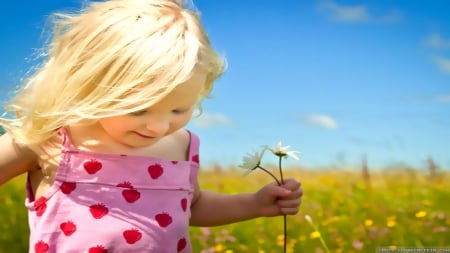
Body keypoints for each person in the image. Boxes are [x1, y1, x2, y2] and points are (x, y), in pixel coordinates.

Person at [0, 0, 303, 252]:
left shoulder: (182, 145)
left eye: (178, 109)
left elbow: (192, 206)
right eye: (139, 108)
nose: (158, 126)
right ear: (89, 85)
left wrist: (252, 204)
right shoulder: (51, 137)